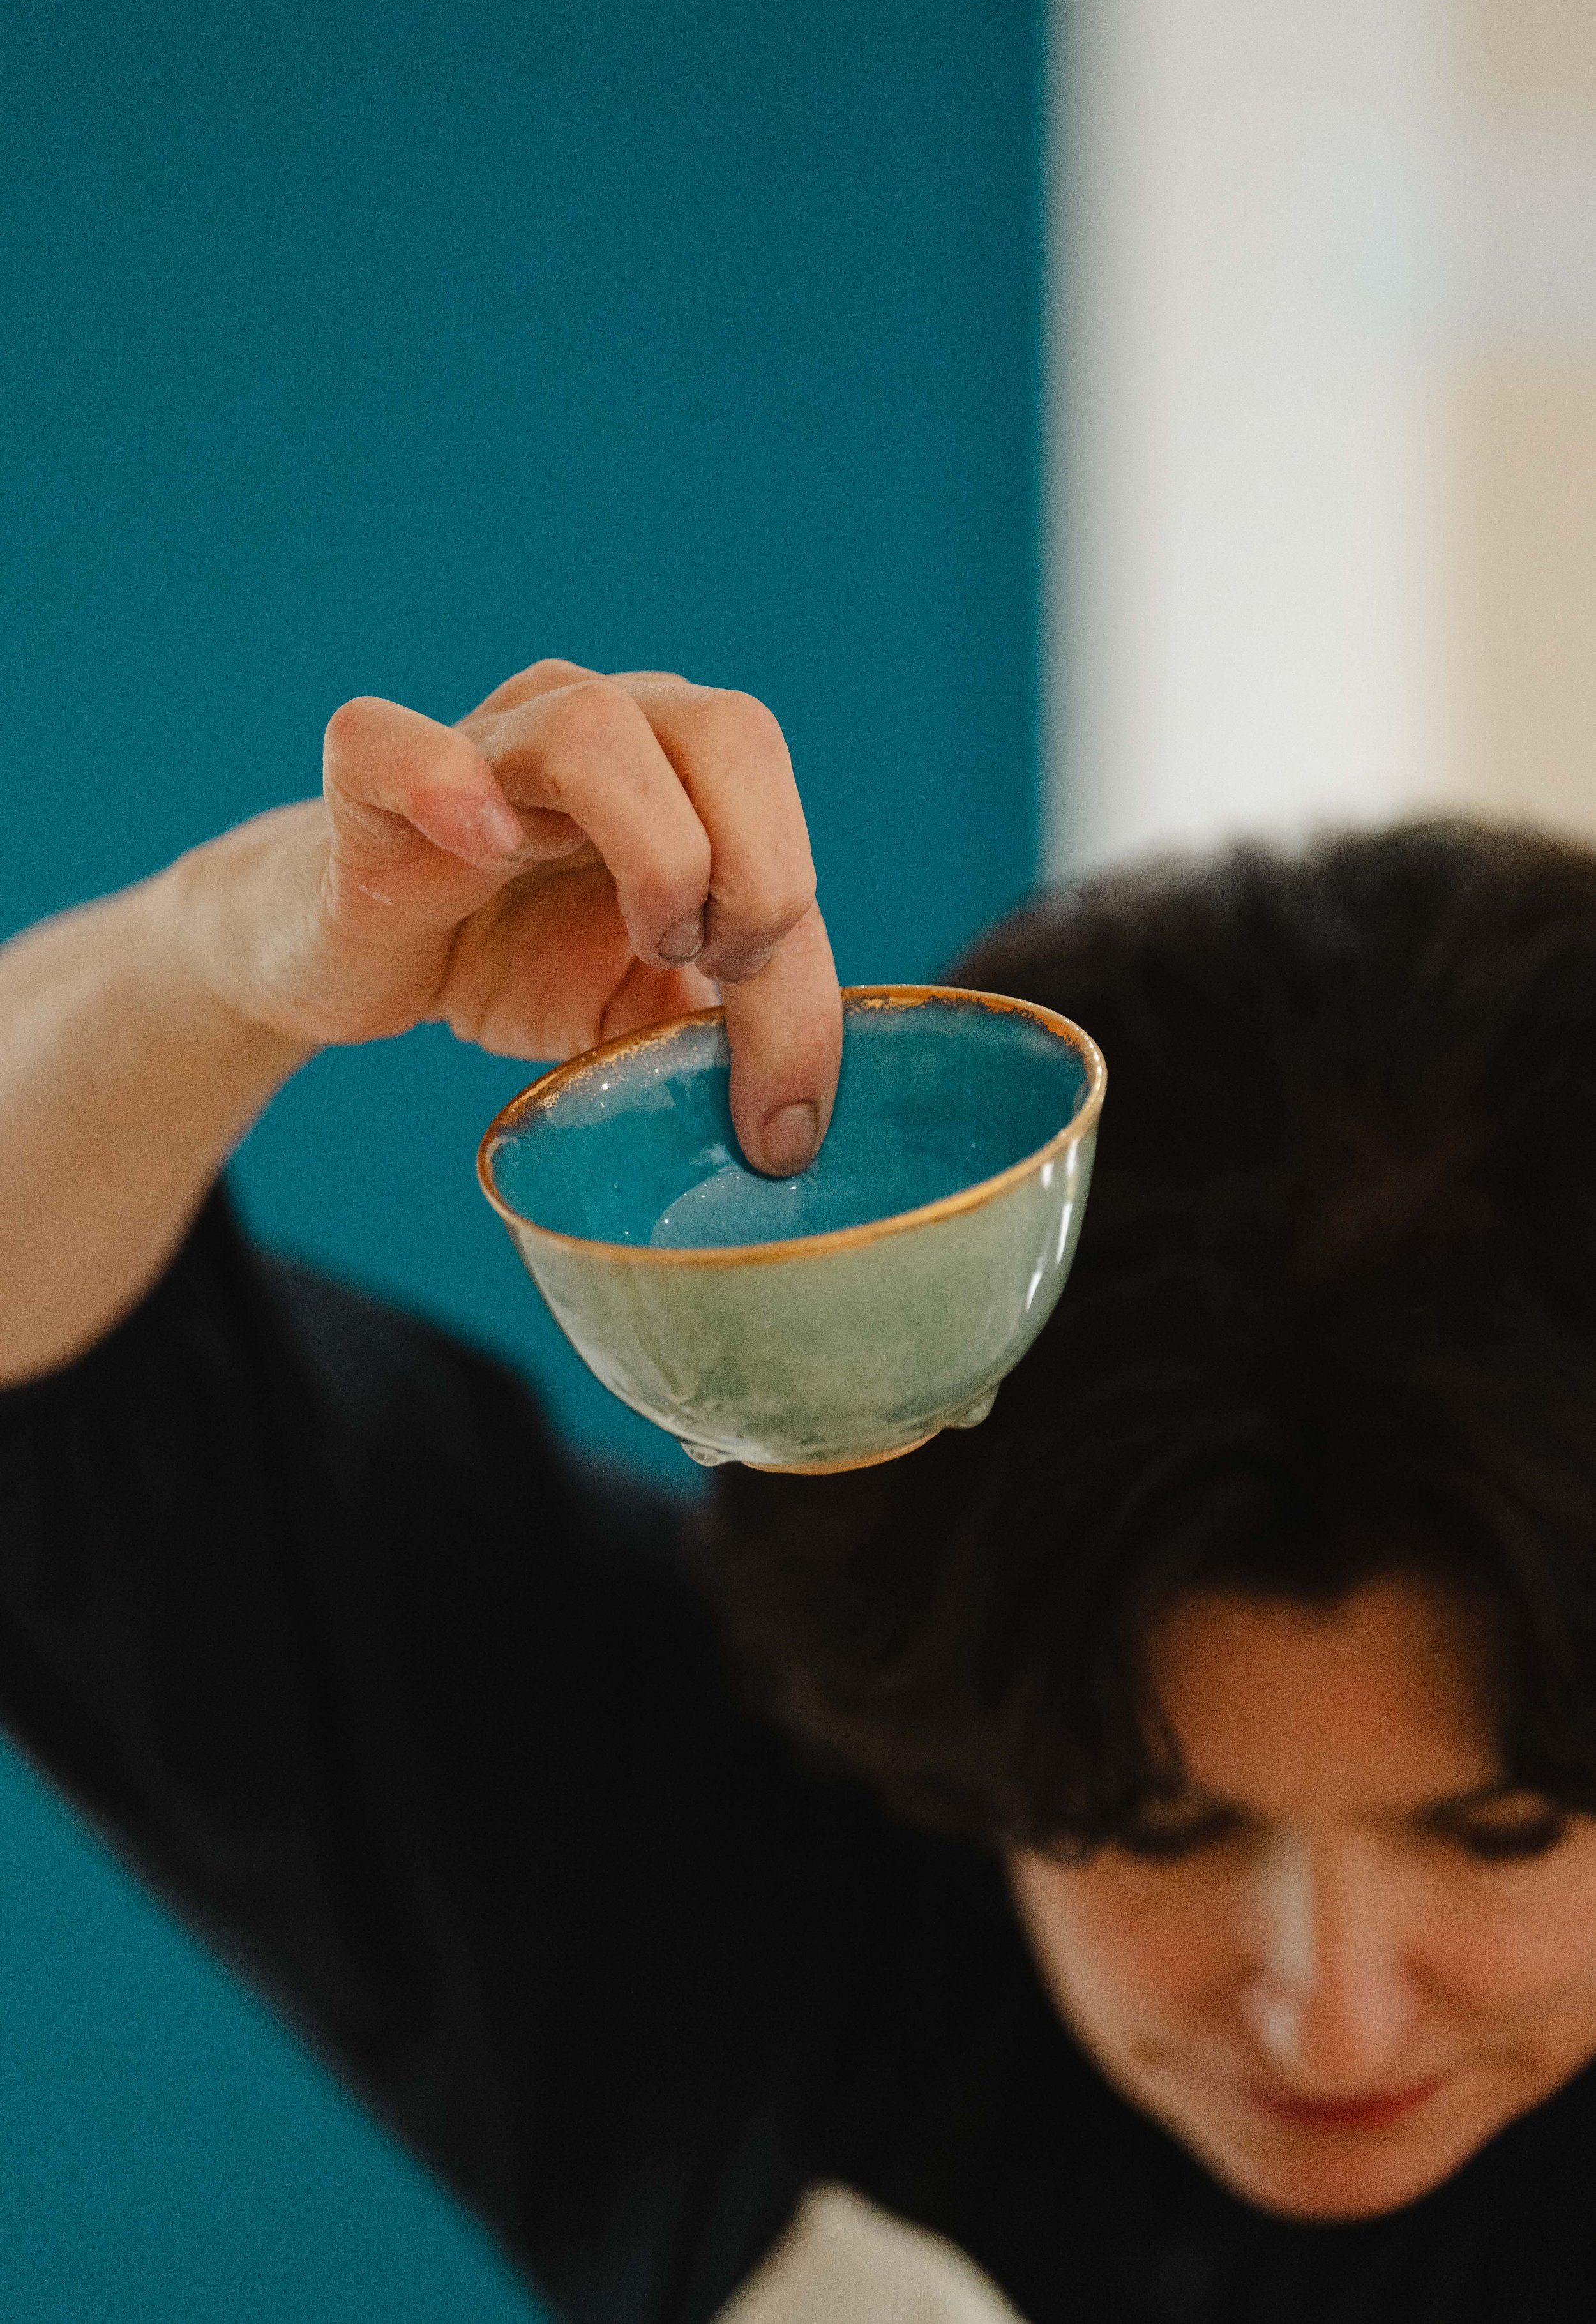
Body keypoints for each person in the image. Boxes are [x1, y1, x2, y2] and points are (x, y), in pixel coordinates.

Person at [3, 659, 1595, 2324]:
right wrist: (231, 955)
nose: (1329, 2020)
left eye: (1501, 1834)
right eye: (1144, 1822)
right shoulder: (721, 1880)